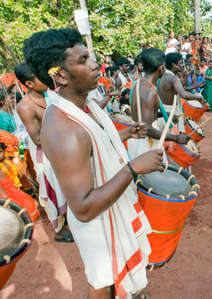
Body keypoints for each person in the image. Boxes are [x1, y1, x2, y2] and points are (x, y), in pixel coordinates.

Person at [23, 28, 163, 299]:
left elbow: (93, 144)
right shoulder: (64, 128)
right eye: (83, 59)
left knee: (110, 280)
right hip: (96, 221)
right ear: (60, 75)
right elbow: (84, 208)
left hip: (105, 208)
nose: (95, 64)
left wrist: (125, 133)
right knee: (102, 283)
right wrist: (134, 168)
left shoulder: (85, 106)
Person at [15, 62, 73, 242]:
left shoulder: (50, 96)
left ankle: (70, 220)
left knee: (66, 185)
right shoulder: (25, 106)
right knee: (51, 189)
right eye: (40, 77)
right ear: (29, 84)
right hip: (45, 155)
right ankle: (59, 230)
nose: (47, 79)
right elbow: (38, 138)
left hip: (61, 148)